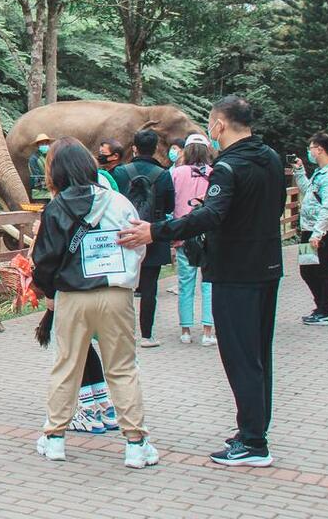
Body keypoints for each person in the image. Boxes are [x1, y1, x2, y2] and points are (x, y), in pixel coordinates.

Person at [120, 95, 285, 467]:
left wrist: (157, 231)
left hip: (234, 272)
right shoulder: (271, 159)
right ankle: (253, 428)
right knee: (259, 353)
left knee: (240, 356)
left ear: (220, 125)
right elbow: (272, 208)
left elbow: (211, 215)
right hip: (268, 267)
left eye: (210, 123)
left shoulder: (227, 168)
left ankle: (255, 444)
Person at [31, 138, 157, 468]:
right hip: (116, 295)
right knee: (123, 368)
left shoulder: (56, 208)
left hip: (72, 297)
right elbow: (138, 247)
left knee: (66, 366)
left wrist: (47, 292)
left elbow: (43, 260)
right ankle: (135, 444)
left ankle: (55, 438)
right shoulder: (119, 202)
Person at [116, 129, 174, 347]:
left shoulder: (121, 172)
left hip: (125, 233)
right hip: (153, 233)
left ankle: (123, 333)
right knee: (150, 288)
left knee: (123, 286)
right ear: (156, 148)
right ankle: (147, 336)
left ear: (134, 148)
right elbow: (170, 206)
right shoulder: (164, 174)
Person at [170, 134, 216, 345]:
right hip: (209, 234)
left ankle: (186, 330)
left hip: (183, 233)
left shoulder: (176, 173)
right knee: (208, 283)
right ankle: (208, 331)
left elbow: (171, 202)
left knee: (185, 283)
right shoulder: (214, 173)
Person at [292, 131, 328, 326]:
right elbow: (309, 193)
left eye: (311, 148)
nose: (309, 152)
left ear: (320, 149)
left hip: (324, 232)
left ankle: (325, 311)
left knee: (324, 270)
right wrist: (299, 172)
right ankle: (320, 307)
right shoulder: (321, 173)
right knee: (307, 270)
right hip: (308, 229)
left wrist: (318, 232)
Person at [28, 133, 53, 202]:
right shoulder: (33, 159)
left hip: (53, 193)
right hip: (40, 194)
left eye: (46, 143)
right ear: (38, 145)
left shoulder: (52, 156)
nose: (44, 145)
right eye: (42, 144)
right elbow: (37, 177)